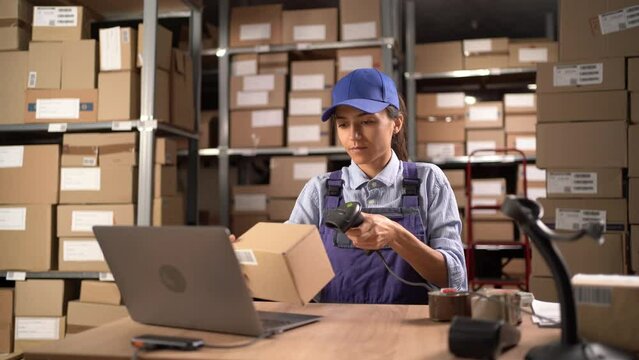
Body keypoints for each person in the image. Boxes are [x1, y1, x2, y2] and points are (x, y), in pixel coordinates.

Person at [285, 68, 467, 304]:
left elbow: (454, 280)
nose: (354, 135)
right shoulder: (319, 190)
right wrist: (245, 256)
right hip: (334, 331)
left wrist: (396, 235)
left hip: (411, 332)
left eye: (367, 121)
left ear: (397, 123)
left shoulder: (428, 181)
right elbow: (285, 261)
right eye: (343, 125)